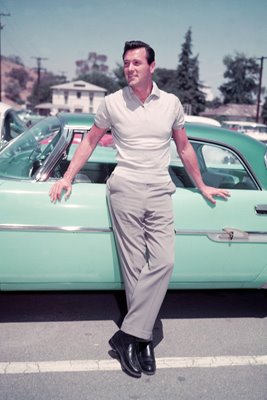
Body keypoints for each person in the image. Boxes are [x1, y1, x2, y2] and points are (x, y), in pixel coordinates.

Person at [49, 40, 230, 378]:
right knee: (134, 269)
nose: (129, 68)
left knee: (163, 261)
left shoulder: (172, 103)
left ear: (151, 66)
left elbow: (185, 146)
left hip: (161, 189)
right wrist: (69, 177)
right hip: (125, 189)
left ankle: (127, 336)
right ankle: (142, 342)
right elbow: (88, 141)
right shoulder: (111, 102)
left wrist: (202, 184)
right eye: (126, 63)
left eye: (136, 63)